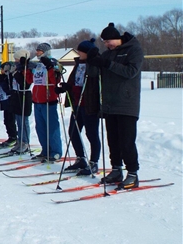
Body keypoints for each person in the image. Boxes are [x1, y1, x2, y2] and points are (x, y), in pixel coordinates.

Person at [88, 23, 143, 189]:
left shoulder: (134, 50)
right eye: (104, 42)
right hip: (110, 103)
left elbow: (130, 72)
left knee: (127, 141)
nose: (107, 44)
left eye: (109, 41)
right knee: (113, 140)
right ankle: (117, 169)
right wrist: (92, 60)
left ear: (117, 38)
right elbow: (94, 75)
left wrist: (107, 64)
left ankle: (132, 173)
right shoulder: (107, 54)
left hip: (127, 103)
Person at [57, 39, 101, 176]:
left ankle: (93, 162)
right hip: (77, 103)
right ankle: (81, 158)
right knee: (73, 132)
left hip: (89, 103)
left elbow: (95, 80)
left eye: (81, 50)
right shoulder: (78, 64)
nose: (79, 52)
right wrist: (65, 87)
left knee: (91, 133)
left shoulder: (94, 64)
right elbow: (73, 81)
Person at [26, 43, 62, 162]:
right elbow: (30, 80)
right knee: (40, 128)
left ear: (46, 52)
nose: (37, 53)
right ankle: (45, 150)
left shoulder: (53, 63)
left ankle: (56, 151)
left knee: (52, 127)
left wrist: (51, 68)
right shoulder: (38, 65)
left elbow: (55, 80)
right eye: (37, 51)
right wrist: (27, 69)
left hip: (48, 100)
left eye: (40, 51)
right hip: (37, 100)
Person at [9, 49, 33, 154]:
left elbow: (25, 83)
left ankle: (25, 142)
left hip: (24, 94)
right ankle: (20, 140)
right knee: (18, 120)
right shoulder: (18, 68)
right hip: (16, 94)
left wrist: (14, 73)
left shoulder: (27, 68)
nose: (15, 61)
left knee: (23, 120)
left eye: (17, 59)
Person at [0, 61, 17, 147]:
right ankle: (11, 136)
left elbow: (9, 89)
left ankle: (13, 136)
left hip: (9, 101)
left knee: (10, 120)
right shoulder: (3, 77)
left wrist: (2, 81)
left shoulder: (9, 77)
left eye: (2, 69)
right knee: (6, 120)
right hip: (4, 100)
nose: (1, 71)